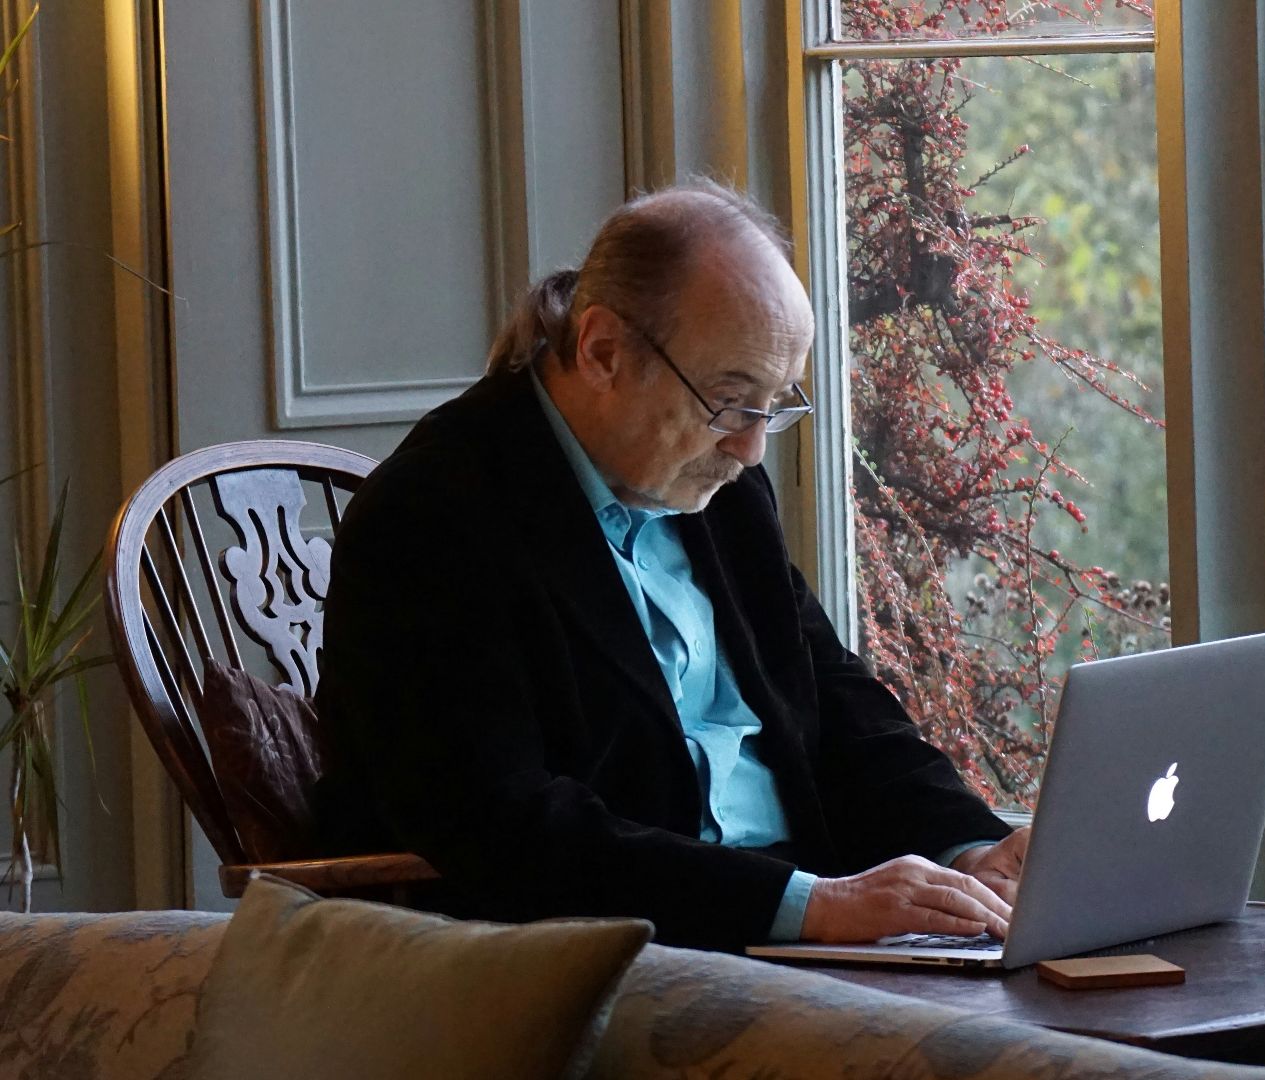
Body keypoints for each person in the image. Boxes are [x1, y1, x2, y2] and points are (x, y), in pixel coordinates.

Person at [315, 182, 1030, 951]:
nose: (750, 448)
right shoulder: (430, 516)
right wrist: (813, 906)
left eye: (772, 405)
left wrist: (969, 847)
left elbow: (833, 701)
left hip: (796, 930)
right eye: (729, 401)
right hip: (599, 956)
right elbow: (505, 826)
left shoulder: (718, 487)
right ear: (603, 352)